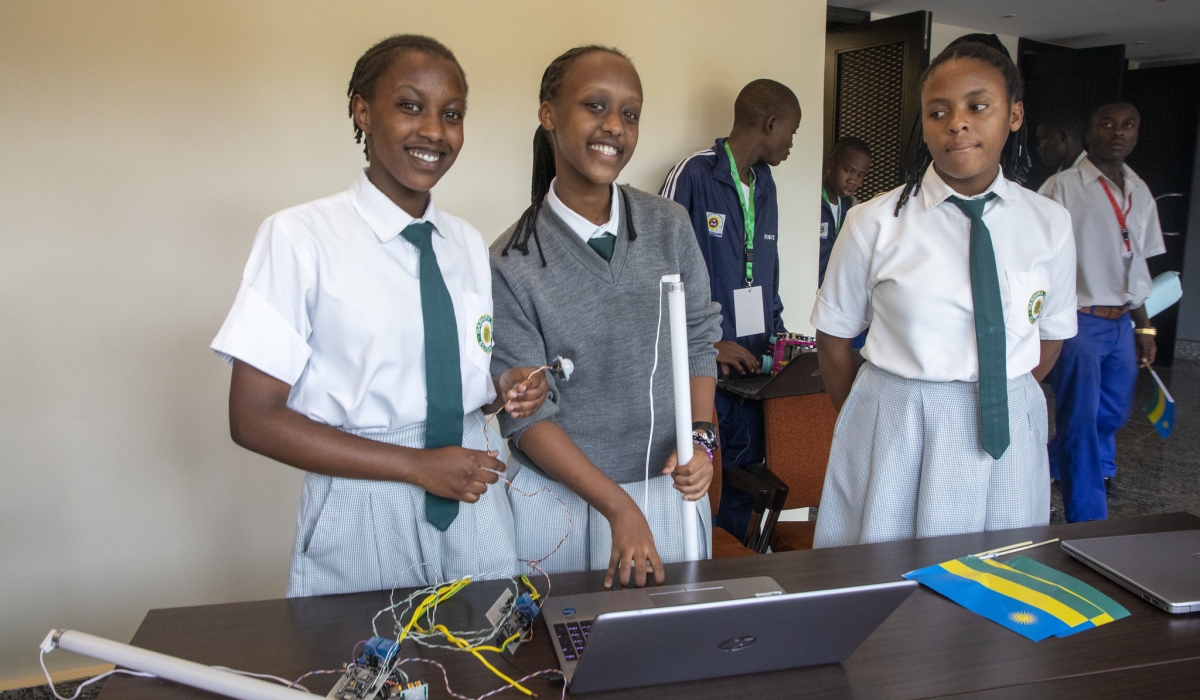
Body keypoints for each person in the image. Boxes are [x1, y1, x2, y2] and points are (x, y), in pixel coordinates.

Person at [210, 35, 548, 597]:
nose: (435, 131)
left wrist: (501, 387)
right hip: (364, 496)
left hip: (471, 484)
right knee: (368, 668)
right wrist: (417, 466)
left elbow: (447, 383)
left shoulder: (465, 243)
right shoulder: (300, 237)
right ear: (362, 111)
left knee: (486, 662)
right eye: (410, 106)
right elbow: (252, 418)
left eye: (452, 114)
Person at [811, 39, 1077, 547]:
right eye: (939, 112)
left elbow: (1050, 338)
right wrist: (882, 413)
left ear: (1014, 114)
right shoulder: (875, 222)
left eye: (978, 106)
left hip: (1009, 428)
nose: (957, 122)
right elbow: (833, 341)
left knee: (1002, 580)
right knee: (892, 585)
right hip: (900, 426)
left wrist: (990, 394)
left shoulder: (1050, 223)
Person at [491, 45, 723, 588]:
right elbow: (525, 416)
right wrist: (619, 507)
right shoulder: (511, 263)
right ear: (548, 113)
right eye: (594, 106)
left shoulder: (668, 226)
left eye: (630, 113)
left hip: (668, 489)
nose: (614, 126)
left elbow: (699, 339)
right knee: (564, 659)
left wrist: (702, 437)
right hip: (561, 506)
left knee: (677, 656)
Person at [658, 79, 800, 539]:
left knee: (747, 479)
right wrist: (708, 343)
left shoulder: (767, 185)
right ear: (770, 123)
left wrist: (779, 337)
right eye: (791, 132)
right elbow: (658, 271)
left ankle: (737, 576)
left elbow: (768, 269)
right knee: (703, 488)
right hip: (708, 370)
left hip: (755, 369)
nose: (793, 144)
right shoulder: (695, 174)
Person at [1039, 99, 1165, 523]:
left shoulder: (1139, 189)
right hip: (1079, 322)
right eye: (1107, 123)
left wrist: (1144, 329)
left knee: (1111, 414)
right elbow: (1033, 258)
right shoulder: (1063, 188)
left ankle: (1039, 465)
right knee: (1081, 420)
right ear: (1088, 133)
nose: (1118, 132)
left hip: (1121, 322)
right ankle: (1089, 521)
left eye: (1128, 124)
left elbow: (1139, 265)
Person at [820, 137, 873, 287]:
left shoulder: (856, 210)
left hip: (839, 292)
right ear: (831, 163)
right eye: (848, 170)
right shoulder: (811, 203)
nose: (853, 181)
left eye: (860, 175)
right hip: (810, 292)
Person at [1036, 109, 1086, 174]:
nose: (1038, 148)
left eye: (1042, 140)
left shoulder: (1093, 172)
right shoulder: (1061, 174)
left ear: (1063, 136)